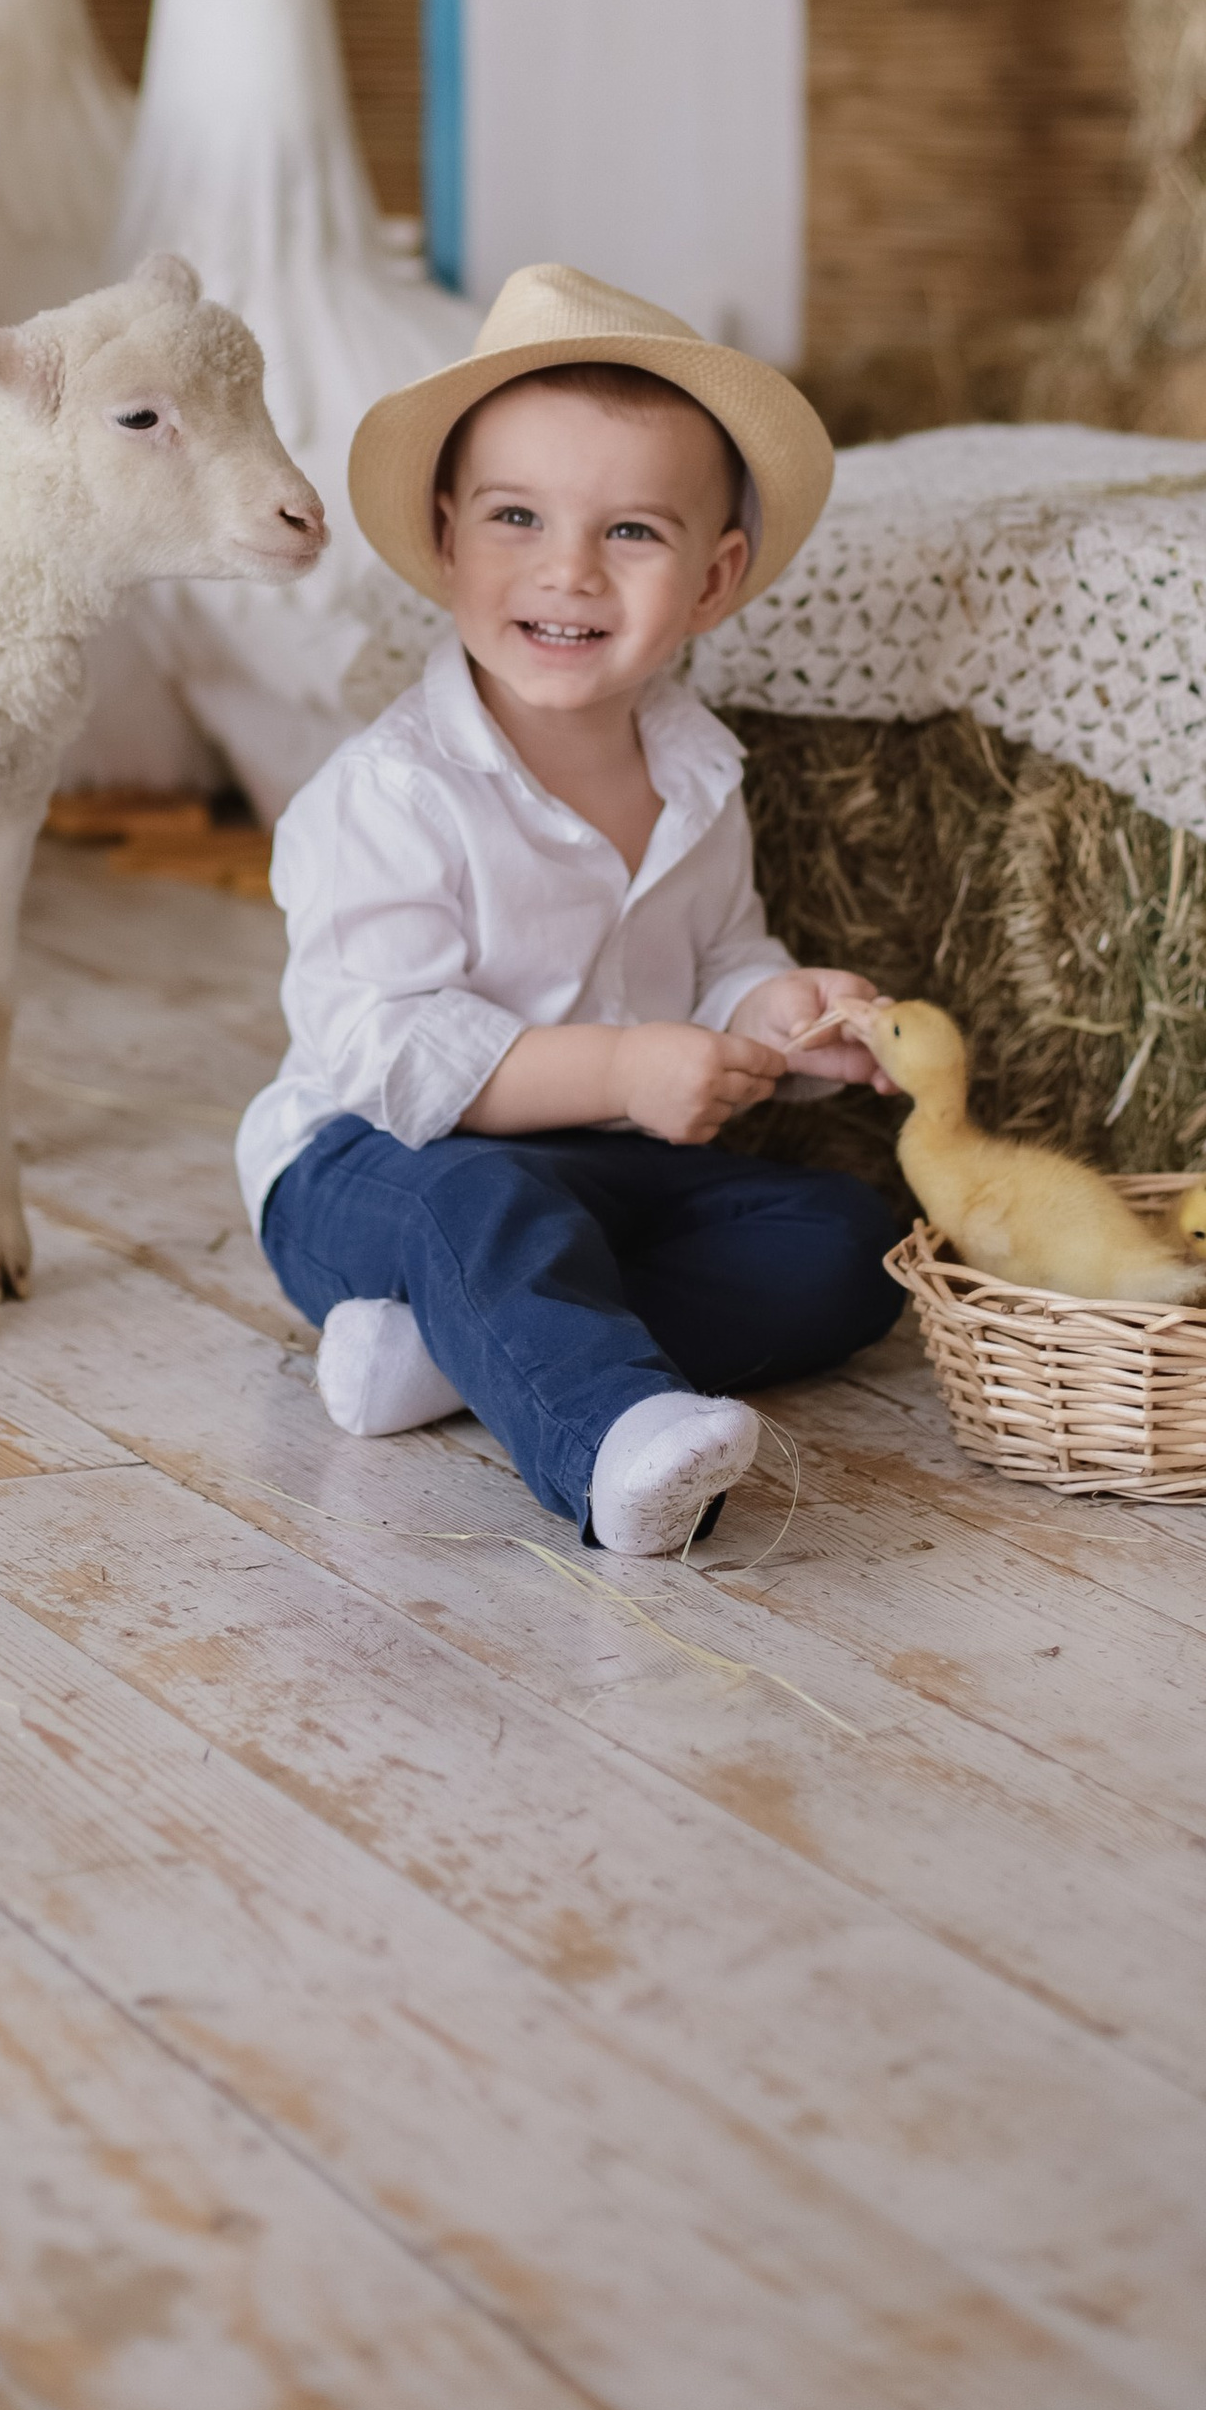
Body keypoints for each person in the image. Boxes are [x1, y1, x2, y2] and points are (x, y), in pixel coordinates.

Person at [243, 262, 907, 1557]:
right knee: (485, 1207)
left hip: (613, 1167)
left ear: (713, 578)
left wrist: (777, 1012)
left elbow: (720, 953)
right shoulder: (391, 791)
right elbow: (387, 1051)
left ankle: (455, 1350)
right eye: (517, 517)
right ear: (446, 538)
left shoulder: (698, 775)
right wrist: (619, 1067)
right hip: (371, 1167)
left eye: (633, 532)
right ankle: (607, 1439)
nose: (570, 571)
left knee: (842, 1243)